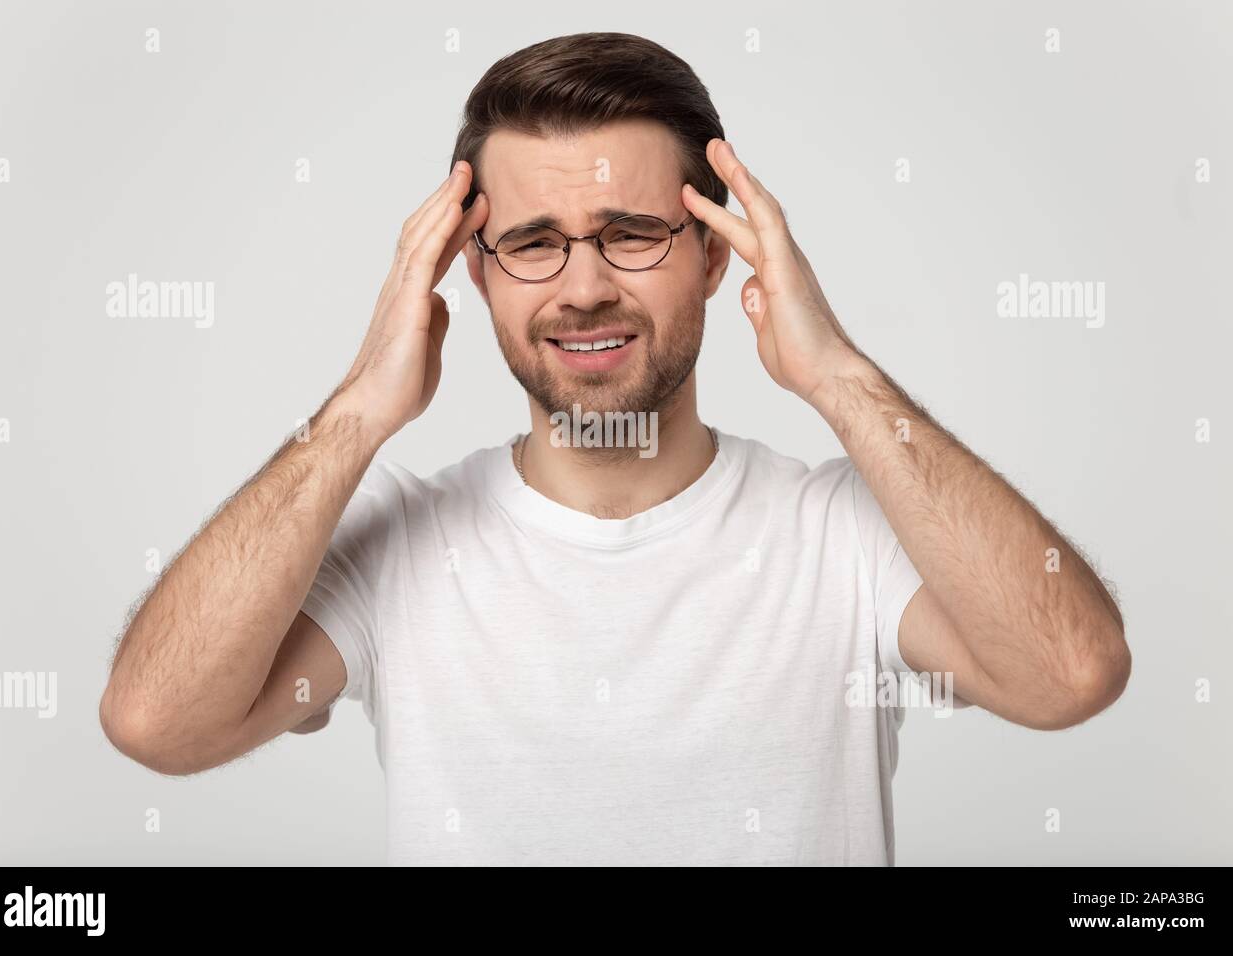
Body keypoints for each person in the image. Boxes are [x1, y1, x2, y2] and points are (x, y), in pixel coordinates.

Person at [100, 32, 1129, 865]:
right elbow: (158, 721)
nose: (584, 286)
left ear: (721, 257)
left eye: (633, 230)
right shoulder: (404, 545)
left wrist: (838, 376)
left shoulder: (843, 532)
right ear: (474, 270)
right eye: (534, 240)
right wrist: (360, 410)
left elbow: (1069, 674)